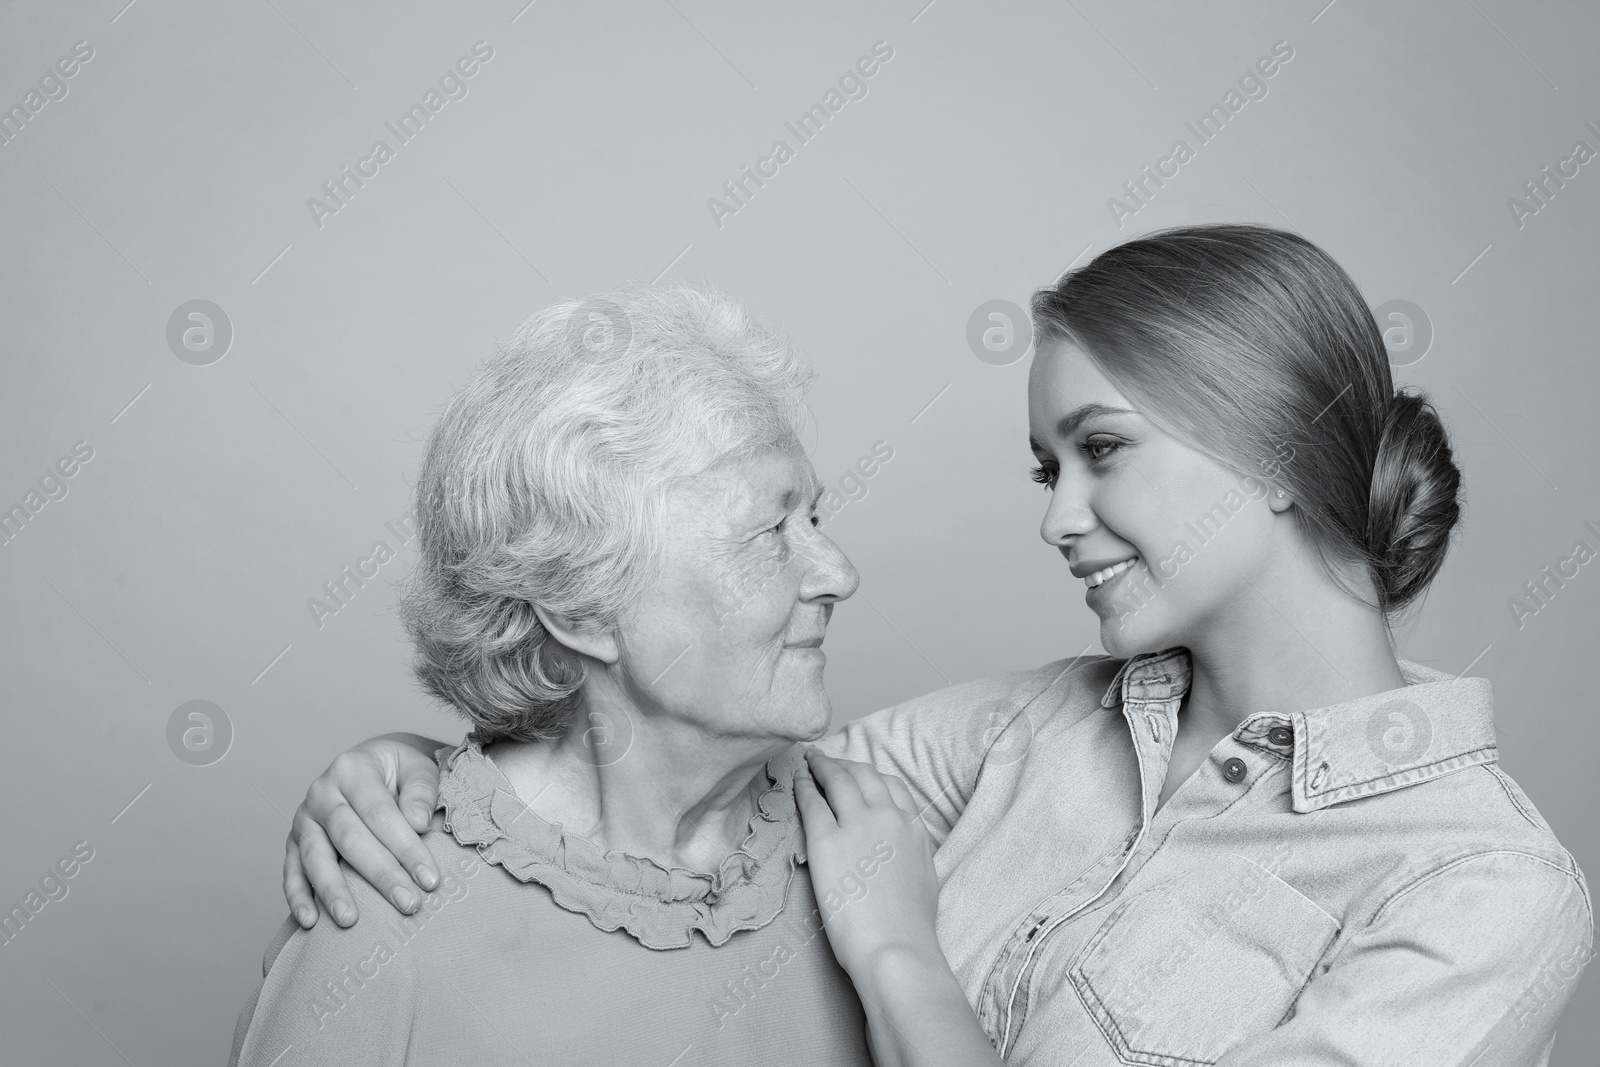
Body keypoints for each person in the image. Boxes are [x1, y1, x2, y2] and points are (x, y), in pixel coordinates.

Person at [278, 226, 1592, 1065]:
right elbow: (675, 767)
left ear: (1274, 451)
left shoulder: (1481, 889)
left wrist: (899, 950)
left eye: (1103, 452)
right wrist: (428, 772)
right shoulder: (1018, 734)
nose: (1058, 518)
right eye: (1044, 466)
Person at [229, 288, 879, 1066]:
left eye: (815, 517)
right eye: (771, 531)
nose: (839, 573)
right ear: (585, 610)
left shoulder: (873, 843)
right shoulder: (385, 915)